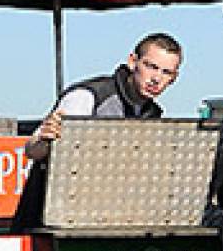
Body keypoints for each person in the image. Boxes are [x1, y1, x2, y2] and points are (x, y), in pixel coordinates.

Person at [24, 33, 183, 164]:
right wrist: (44, 141)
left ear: (174, 78)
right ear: (133, 62)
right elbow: (32, 151)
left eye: (166, 72)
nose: (156, 78)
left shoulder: (152, 114)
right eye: (151, 67)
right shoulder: (88, 96)